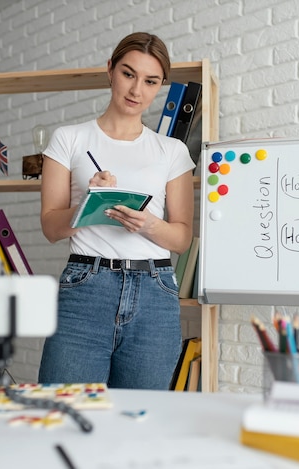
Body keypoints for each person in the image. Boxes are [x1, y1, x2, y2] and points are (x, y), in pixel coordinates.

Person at [38, 32, 195, 389]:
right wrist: (88, 204)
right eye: (128, 74)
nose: (136, 90)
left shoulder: (171, 151)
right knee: (65, 408)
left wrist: (149, 225)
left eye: (150, 81)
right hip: (85, 287)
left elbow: (182, 237)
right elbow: (50, 226)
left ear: (160, 86)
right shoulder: (69, 139)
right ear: (110, 70)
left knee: (142, 418)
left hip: (156, 293)